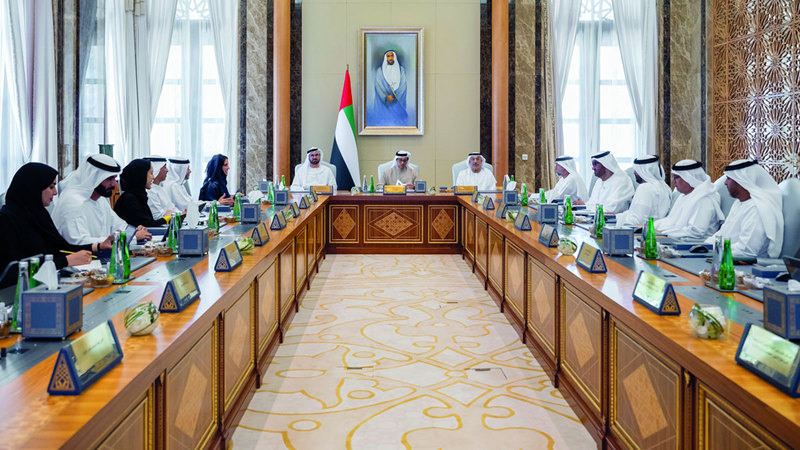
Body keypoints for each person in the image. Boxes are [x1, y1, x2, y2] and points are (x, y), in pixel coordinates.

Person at [0, 163, 112, 287]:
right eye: (51, 187)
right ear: (34, 187)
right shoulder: (6, 220)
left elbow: (61, 248)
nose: (55, 192)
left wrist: (98, 246)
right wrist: (65, 261)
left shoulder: (39, 215)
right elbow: (13, 270)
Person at [52, 154, 151, 245]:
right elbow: (79, 242)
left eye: (115, 178)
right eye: (109, 179)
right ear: (93, 177)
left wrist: (135, 231)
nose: (114, 184)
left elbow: (120, 226)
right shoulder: (72, 202)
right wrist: (132, 237)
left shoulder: (100, 200)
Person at [705, 159, 783, 258]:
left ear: (741, 180)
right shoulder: (739, 203)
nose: (725, 182)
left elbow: (746, 251)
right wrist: (705, 246)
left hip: (746, 264)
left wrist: (713, 252)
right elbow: (722, 233)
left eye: (728, 178)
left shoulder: (758, 209)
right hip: (726, 256)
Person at [655, 160, 724, 240]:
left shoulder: (704, 199)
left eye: (676, 177)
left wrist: (664, 234)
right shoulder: (684, 196)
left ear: (689, 178)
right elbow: (670, 220)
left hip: (694, 244)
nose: (673, 181)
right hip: (675, 239)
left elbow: (696, 231)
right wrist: (651, 227)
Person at [615, 155, 672, 227]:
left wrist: (618, 221)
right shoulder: (665, 187)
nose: (634, 172)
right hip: (654, 228)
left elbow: (637, 220)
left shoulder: (645, 188)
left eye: (636, 170)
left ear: (644, 171)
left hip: (642, 230)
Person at [114, 159, 170, 228]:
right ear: (141, 175)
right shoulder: (129, 199)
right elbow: (147, 225)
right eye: (151, 173)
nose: (153, 177)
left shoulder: (139, 196)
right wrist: (167, 218)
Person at [369, 50, 408, 126]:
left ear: (394, 57)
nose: (390, 58)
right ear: (386, 58)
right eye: (388, 56)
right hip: (383, 104)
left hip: (397, 101)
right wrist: (386, 96)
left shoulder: (401, 70)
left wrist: (397, 97)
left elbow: (403, 85)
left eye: (392, 56)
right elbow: (378, 86)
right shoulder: (380, 71)